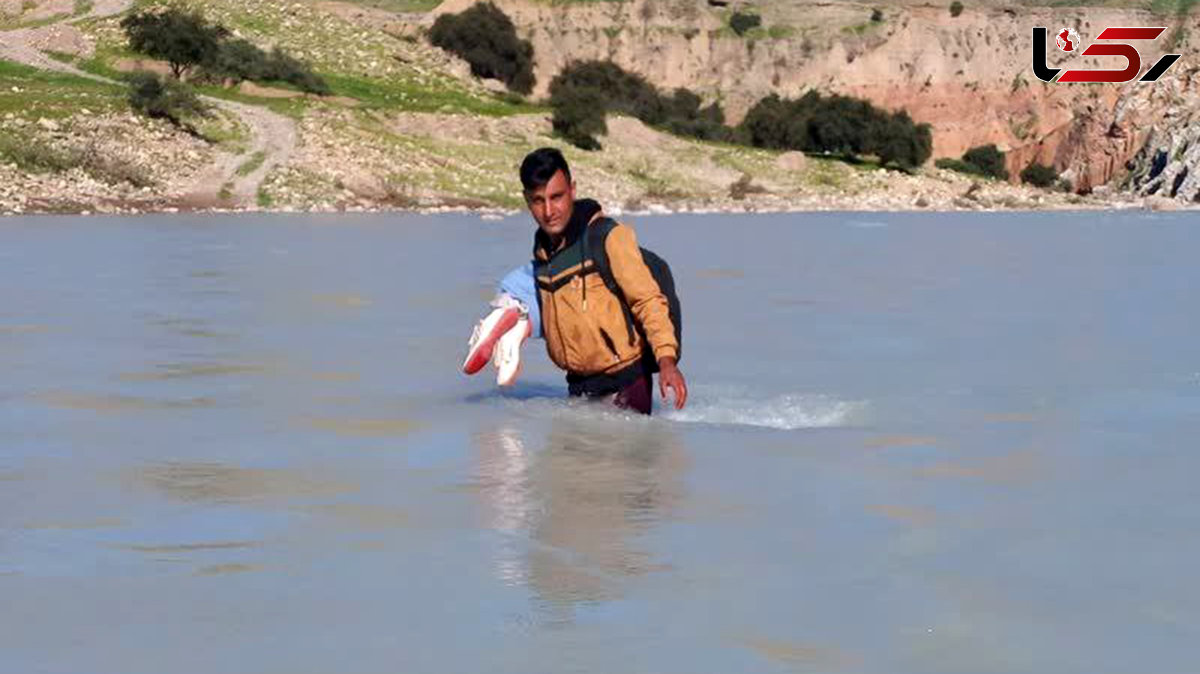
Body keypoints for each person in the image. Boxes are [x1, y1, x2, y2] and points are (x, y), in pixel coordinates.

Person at [521, 147, 687, 415]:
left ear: (572, 190)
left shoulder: (608, 237)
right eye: (538, 200)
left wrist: (667, 362)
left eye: (557, 197)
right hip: (577, 384)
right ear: (527, 200)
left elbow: (648, 301)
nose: (549, 210)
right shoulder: (542, 252)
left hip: (626, 382)